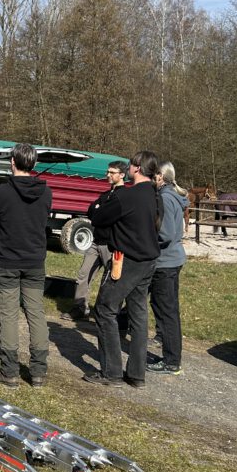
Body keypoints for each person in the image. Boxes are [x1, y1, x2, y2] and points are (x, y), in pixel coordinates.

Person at [85, 151, 161, 388]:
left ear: (137, 168)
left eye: (130, 165)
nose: (128, 168)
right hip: (148, 260)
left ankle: (112, 372)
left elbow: (96, 216)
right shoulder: (156, 196)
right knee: (138, 315)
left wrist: (100, 204)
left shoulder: (128, 196)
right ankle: (137, 375)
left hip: (125, 259)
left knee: (105, 310)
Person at [0, 143, 53, 388]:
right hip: (34, 261)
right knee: (36, 313)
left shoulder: (2, 192)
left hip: (8, 261)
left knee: (8, 315)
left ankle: (10, 371)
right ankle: (38, 372)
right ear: (33, 164)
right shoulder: (46, 192)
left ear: (13, 162)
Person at [67, 160, 127, 320]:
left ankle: (108, 313)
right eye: (107, 172)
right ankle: (80, 308)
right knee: (83, 274)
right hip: (96, 242)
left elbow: (106, 217)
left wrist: (100, 213)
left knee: (111, 280)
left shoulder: (123, 196)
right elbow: (91, 212)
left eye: (112, 172)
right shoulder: (105, 195)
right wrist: (99, 212)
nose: (108, 175)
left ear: (122, 175)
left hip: (111, 244)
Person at [148, 161, 190, 375]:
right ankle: (172, 357)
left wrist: (148, 238)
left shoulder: (164, 197)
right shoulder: (175, 196)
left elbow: (165, 234)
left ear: (160, 178)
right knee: (170, 310)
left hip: (165, 262)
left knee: (166, 312)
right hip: (174, 259)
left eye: (155, 176)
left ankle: (171, 360)